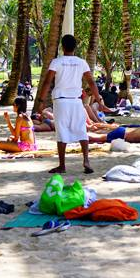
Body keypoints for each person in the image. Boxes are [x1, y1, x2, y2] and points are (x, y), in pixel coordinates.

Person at [36, 34, 101, 174]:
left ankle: (62, 165)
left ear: (62, 46)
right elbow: (91, 82)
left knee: (62, 131)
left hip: (61, 101)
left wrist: (40, 101)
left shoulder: (57, 62)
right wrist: (99, 100)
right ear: (75, 47)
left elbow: (47, 82)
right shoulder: (81, 62)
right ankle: (86, 160)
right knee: (81, 130)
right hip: (76, 101)